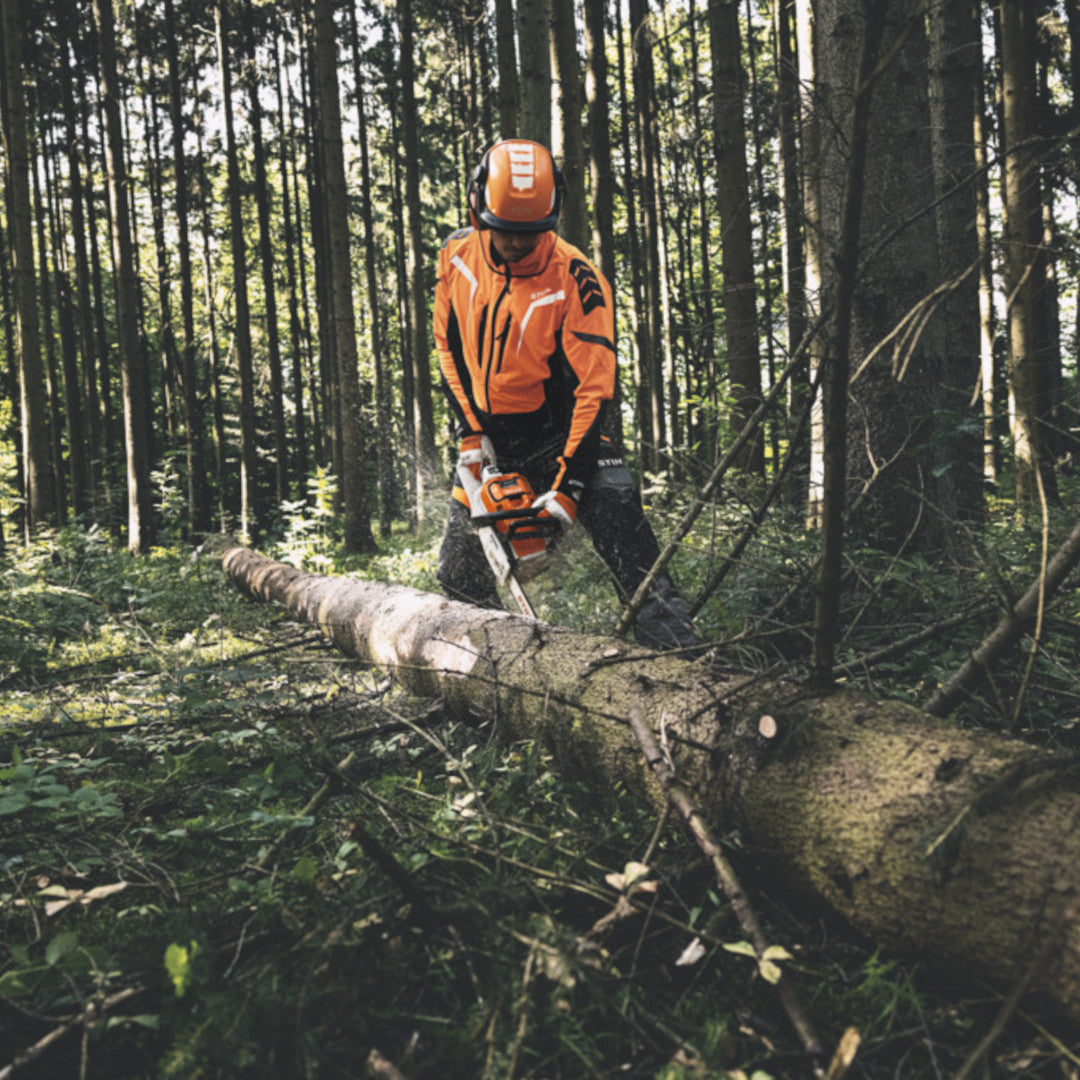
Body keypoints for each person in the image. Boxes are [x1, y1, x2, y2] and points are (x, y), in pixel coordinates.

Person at [433, 138, 698, 651]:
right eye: (506, 231)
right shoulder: (456, 256)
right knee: (457, 569)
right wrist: (472, 432)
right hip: (493, 438)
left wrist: (570, 485)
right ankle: (499, 670)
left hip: (568, 433)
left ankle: (681, 660)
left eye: (530, 234)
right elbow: (447, 345)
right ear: (477, 207)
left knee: (627, 534)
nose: (516, 244)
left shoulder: (577, 280)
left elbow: (595, 389)